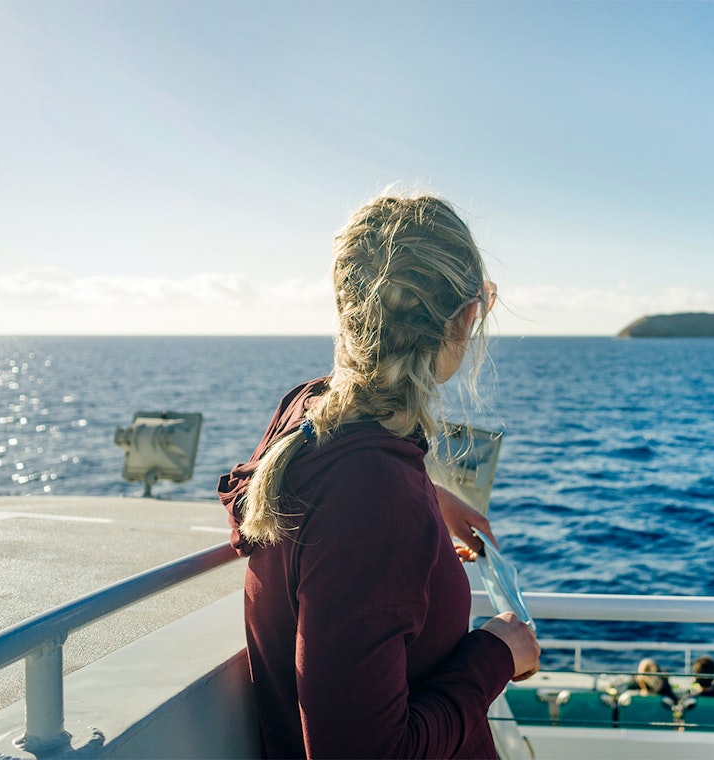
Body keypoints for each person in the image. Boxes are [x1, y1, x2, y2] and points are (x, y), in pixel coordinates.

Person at [218, 192, 541, 759]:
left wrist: (427, 495)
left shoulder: (309, 413)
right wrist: (496, 653)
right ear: (464, 319)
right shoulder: (373, 496)